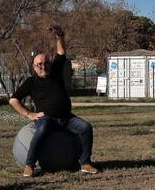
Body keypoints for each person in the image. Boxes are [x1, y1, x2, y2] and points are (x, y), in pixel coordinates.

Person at [9, 24, 98, 177]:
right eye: (39, 64)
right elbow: (13, 100)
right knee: (42, 129)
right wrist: (29, 114)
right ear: (34, 67)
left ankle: (85, 163)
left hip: (66, 118)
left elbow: (61, 52)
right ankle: (30, 165)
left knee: (86, 127)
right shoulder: (31, 82)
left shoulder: (55, 72)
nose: (43, 66)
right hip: (46, 118)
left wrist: (60, 36)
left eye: (45, 63)